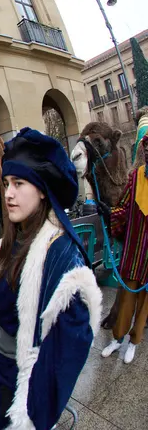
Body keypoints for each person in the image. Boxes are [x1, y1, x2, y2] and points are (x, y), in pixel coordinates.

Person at [0, 128, 101, 429]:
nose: (8, 193)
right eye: (6, 183)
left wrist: (31, 412)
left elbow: (67, 352)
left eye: (19, 183)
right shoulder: (7, 246)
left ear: (42, 189)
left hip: (25, 390)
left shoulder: (62, 257)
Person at [101, 132, 148, 364]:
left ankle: (134, 341)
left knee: (145, 301)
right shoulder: (136, 177)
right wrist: (109, 213)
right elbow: (125, 207)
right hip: (133, 250)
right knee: (127, 295)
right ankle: (117, 339)